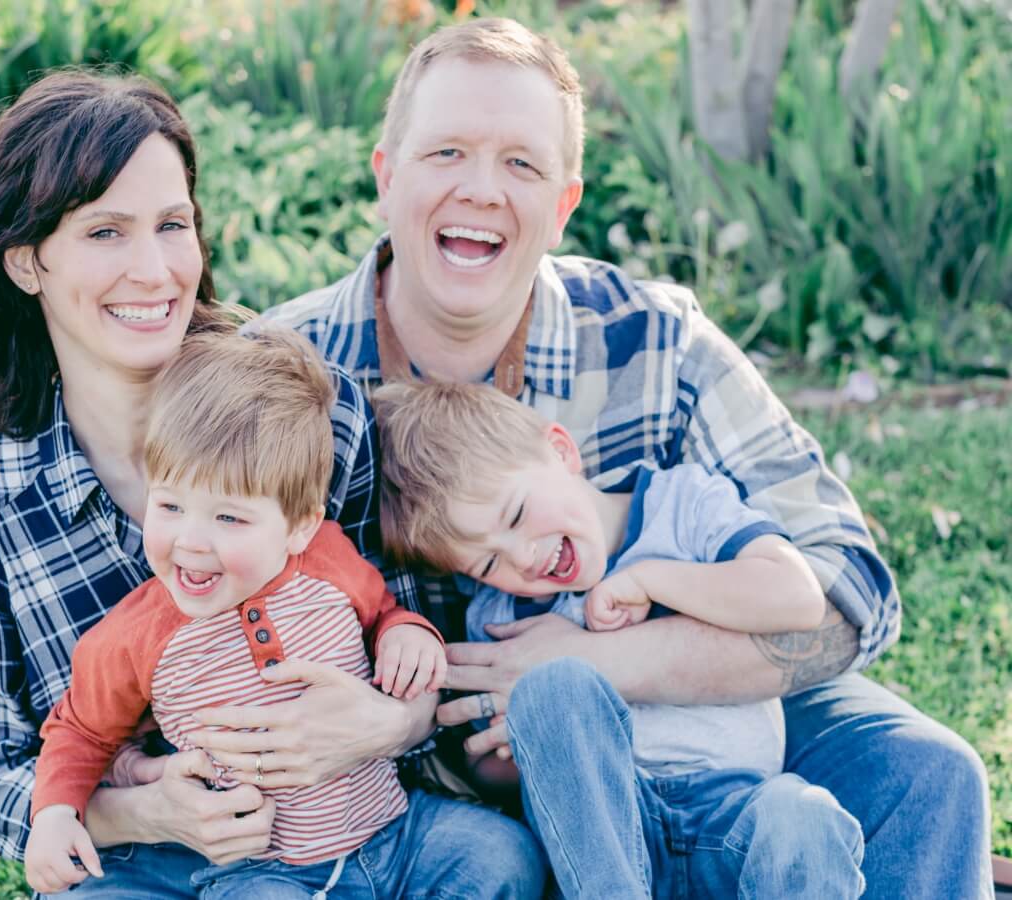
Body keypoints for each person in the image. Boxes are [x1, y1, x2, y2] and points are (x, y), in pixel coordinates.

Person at [262, 16, 993, 898]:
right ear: (386, 176)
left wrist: (608, 660)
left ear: (565, 204)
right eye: (446, 152)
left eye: (521, 163)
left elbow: (851, 592)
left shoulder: (654, 340)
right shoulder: (285, 376)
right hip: (427, 764)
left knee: (931, 773)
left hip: (709, 725)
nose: (483, 190)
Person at [0, 69, 442, 894]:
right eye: (105, 233)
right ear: (26, 263)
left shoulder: (317, 413)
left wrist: (390, 722)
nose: (154, 269)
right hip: (138, 867)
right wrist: (145, 812)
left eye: (173, 224)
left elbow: (408, 621)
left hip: (349, 831)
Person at [23, 331, 543, 897]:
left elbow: (384, 614)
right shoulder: (136, 636)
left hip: (392, 831)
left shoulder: (327, 561)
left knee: (502, 855)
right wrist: (54, 815)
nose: (191, 542)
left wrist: (407, 636)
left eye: (229, 519)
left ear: (299, 525)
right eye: (170, 506)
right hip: (261, 867)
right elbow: (79, 731)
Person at [373, 379, 865, 897]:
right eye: (488, 563)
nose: (521, 557)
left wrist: (652, 578)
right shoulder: (504, 620)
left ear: (561, 452)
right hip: (607, 843)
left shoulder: (683, 506)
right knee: (554, 689)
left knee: (803, 816)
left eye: (516, 515)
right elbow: (491, 769)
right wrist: (523, 747)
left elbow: (799, 598)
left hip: (736, 811)